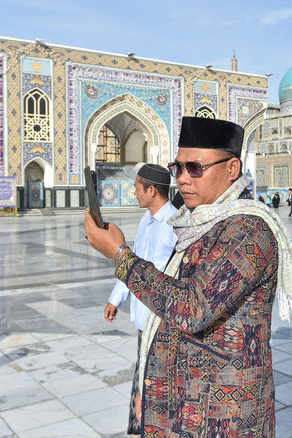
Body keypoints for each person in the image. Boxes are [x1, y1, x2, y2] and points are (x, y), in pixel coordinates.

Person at [85, 116, 292, 437]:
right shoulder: (195, 224)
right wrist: (148, 390)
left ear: (232, 169)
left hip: (225, 412)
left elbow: (192, 307)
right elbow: (169, 307)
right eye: (177, 168)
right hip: (180, 399)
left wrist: (121, 256)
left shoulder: (248, 230)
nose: (182, 179)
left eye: (195, 168)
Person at [103, 164, 177, 436]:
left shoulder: (174, 224)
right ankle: (142, 428)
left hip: (161, 319)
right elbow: (132, 264)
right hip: (143, 318)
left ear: (152, 190)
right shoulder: (146, 220)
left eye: (136, 187)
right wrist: (116, 299)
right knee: (143, 374)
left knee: (154, 382)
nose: (133, 192)